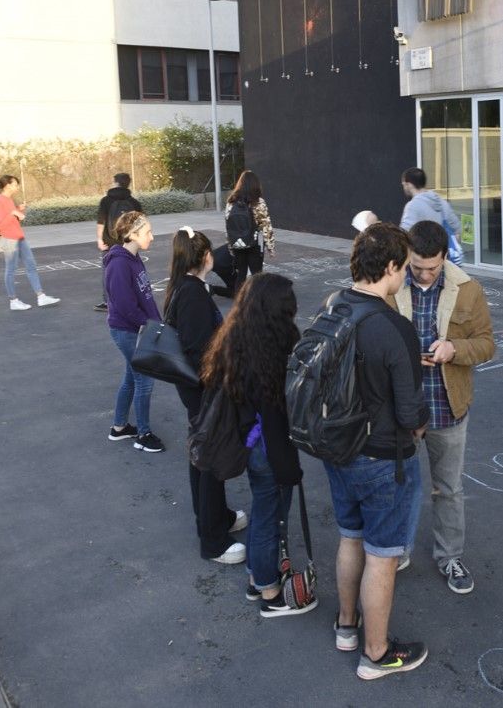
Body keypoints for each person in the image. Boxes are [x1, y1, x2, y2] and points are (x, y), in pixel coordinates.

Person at [326, 222, 429, 679]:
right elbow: (410, 413)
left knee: (350, 537)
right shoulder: (394, 327)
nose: (406, 275)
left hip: (339, 447)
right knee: (382, 555)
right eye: (404, 267)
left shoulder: (332, 308)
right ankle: (376, 652)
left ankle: (346, 626)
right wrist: (421, 425)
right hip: (384, 457)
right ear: (389, 266)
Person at [389, 220, 495, 593]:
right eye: (415, 266)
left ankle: (450, 557)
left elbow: (486, 344)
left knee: (448, 489)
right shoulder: (390, 283)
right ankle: (397, 549)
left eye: (431, 268)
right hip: (400, 409)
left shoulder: (468, 290)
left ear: (444, 258)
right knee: (398, 484)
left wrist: (454, 350)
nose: (422, 274)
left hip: (447, 407)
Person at [200, 273, 313, 617]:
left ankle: (256, 577)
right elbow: (277, 419)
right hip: (268, 449)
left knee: (264, 512)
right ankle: (269, 593)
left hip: (247, 443)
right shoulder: (274, 351)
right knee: (269, 516)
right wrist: (290, 469)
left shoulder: (234, 338)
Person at [163, 227, 247, 564]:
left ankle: (214, 517)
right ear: (204, 258)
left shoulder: (185, 287)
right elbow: (200, 350)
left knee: (202, 451)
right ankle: (213, 540)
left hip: (195, 388)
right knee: (210, 456)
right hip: (205, 389)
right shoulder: (193, 294)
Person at [102, 211, 164, 453]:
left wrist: (157, 322)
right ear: (132, 234)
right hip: (127, 331)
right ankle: (143, 434)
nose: (152, 236)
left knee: (131, 377)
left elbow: (144, 298)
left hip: (137, 328)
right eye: (147, 232)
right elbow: (125, 305)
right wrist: (148, 326)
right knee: (144, 381)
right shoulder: (118, 263)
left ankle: (119, 428)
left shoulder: (134, 258)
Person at [0, 175, 60, 311]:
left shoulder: (9, 200)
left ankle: (41, 296)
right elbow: (1, 224)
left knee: (31, 265)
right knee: (11, 270)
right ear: (8, 185)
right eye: (15, 184)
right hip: (9, 240)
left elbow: (12, 218)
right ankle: (13, 300)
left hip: (19, 238)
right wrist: (14, 213)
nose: (17, 187)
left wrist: (18, 210)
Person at [94, 173, 142, 312]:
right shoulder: (134, 202)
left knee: (108, 272)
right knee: (131, 270)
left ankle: (108, 302)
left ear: (116, 183)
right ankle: (133, 299)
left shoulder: (106, 201)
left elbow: (101, 222)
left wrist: (99, 239)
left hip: (109, 242)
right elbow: (140, 223)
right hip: (129, 242)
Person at [224, 170, 275, 282]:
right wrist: (270, 247)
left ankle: (239, 298)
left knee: (240, 275)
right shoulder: (258, 202)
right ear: (255, 184)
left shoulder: (231, 202)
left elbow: (228, 225)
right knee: (257, 276)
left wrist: (230, 245)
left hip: (237, 243)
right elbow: (266, 226)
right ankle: (257, 298)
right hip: (254, 243)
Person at [400, 167, 460, 235]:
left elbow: (404, 235)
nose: (404, 188)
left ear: (409, 185)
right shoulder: (441, 202)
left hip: (422, 245)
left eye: (404, 184)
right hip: (442, 245)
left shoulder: (412, 206)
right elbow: (457, 229)